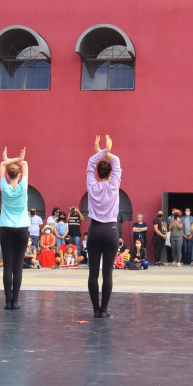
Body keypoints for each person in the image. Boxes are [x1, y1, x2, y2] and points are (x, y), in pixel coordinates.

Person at [86, 135, 122, 318]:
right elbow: (116, 161)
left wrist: (100, 151)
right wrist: (108, 151)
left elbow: (91, 162)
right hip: (111, 230)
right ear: (109, 173)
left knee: (93, 272)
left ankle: (95, 310)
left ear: (97, 173)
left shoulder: (91, 184)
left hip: (94, 230)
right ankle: (104, 310)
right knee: (107, 272)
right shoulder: (114, 184)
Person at [0, 147, 30, 310]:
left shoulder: (4, 187)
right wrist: (20, 158)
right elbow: (24, 164)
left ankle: (7, 301)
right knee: (18, 265)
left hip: (5, 228)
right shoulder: (23, 187)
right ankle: (15, 301)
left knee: (8, 264)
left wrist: (7, 158)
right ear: (18, 175)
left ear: (7, 175)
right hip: (21, 229)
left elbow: (3, 164)